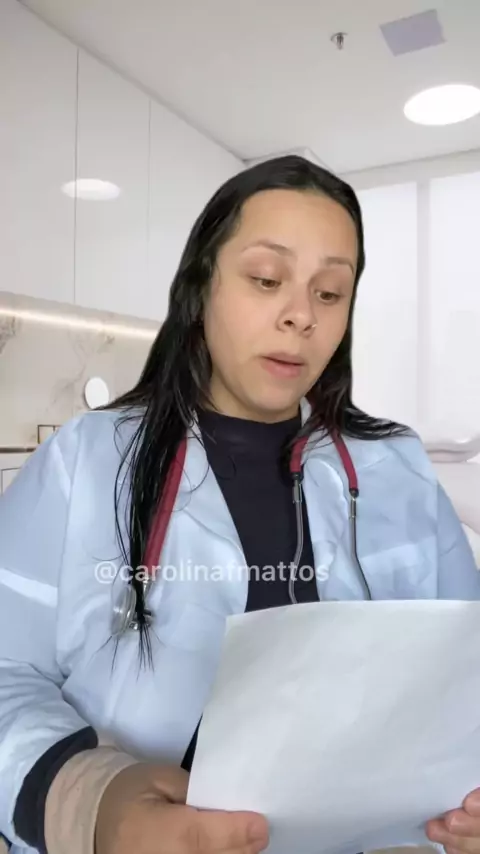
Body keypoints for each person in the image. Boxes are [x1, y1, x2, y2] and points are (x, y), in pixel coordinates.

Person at [0, 155, 479, 854]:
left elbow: (465, 674)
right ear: (201, 290)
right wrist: (93, 802)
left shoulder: (396, 468)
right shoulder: (85, 462)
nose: (300, 315)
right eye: (266, 279)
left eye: (330, 292)